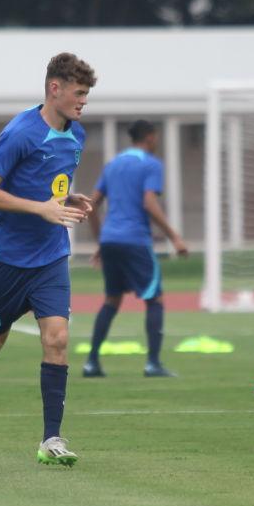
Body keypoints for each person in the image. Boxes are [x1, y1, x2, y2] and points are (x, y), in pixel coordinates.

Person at [0, 52, 97, 466]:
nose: (84, 102)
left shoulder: (77, 134)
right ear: (55, 88)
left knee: (58, 338)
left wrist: (67, 198)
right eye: (79, 93)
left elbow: (51, 185)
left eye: (87, 95)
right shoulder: (20, 133)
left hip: (51, 256)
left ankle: (52, 439)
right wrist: (41, 208)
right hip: (7, 258)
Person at [83, 120, 188, 378]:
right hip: (135, 240)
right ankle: (153, 363)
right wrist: (175, 237)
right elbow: (149, 202)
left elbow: (91, 205)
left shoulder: (113, 164)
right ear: (150, 137)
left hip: (111, 240)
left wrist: (101, 241)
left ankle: (91, 362)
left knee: (112, 300)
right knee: (155, 299)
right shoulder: (151, 164)